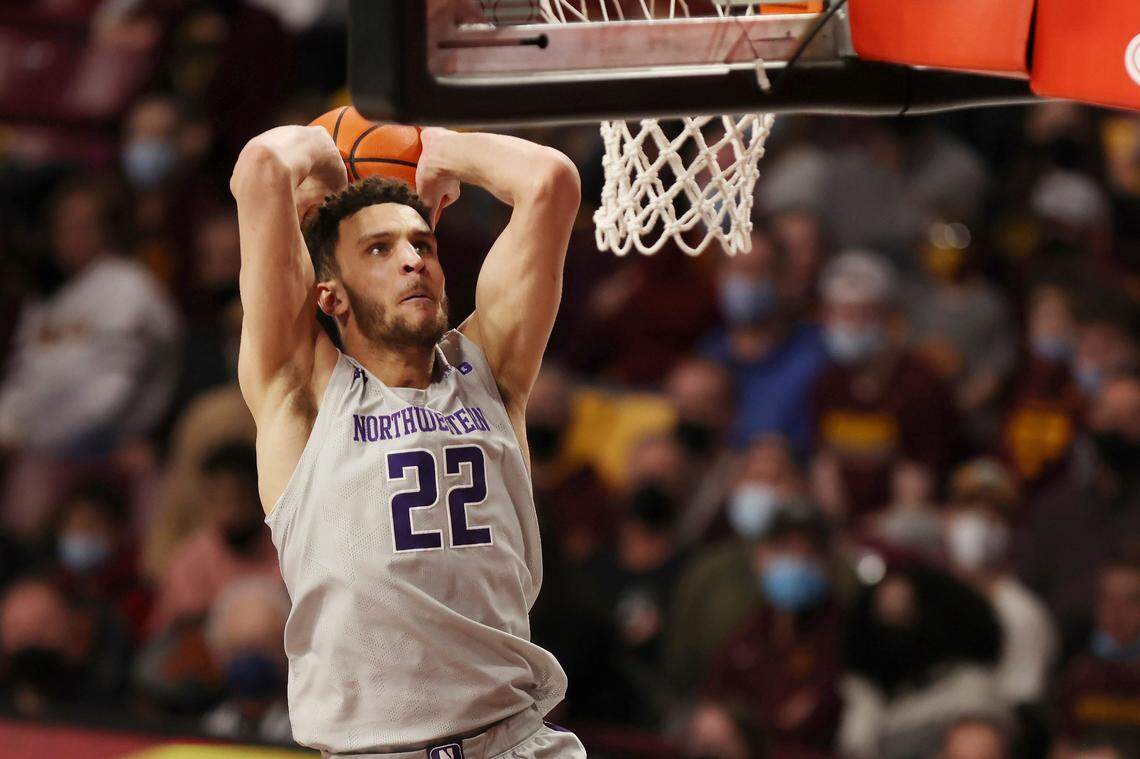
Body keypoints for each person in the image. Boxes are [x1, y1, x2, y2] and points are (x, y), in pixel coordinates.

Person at [230, 123, 585, 756]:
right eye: (379, 249)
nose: (413, 259)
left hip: (514, 743)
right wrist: (326, 161)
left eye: (423, 242)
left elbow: (549, 182)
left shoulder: (489, 373)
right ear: (329, 296)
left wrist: (444, 150)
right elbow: (261, 167)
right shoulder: (305, 396)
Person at [1052, 556, 1140, 759]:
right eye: (1108, 599)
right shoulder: (1076, 673)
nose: (1117, 612)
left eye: (1131, 600)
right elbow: (1061, 746)